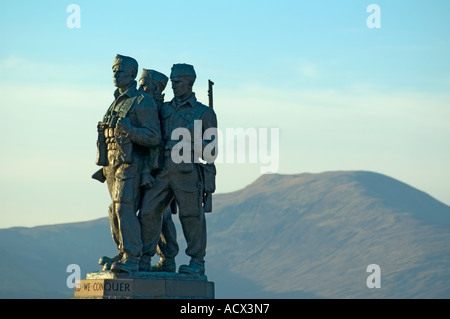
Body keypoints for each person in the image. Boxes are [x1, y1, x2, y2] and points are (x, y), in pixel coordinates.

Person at [139, 63, 217, 275]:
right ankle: (146, 258)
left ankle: (196, 261)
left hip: (186, 170)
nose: (173, 86)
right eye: (172, 82)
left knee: (191, 216)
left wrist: (194, 141)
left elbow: (211, 152)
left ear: (189, 83)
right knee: (148, 211)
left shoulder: (203, 113)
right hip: (162, 169)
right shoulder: (163, 109)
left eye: (178, 82)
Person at [93, 54, 161, 273]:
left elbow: (154, 137)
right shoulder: (115, 102)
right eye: (114, 70)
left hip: (131, 163)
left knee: (124, 207)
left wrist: (130, 131)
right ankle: (123, 252)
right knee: (114, 209)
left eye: (120, 70)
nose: (115, 73)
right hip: (111, 165)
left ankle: (133, 256)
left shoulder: (142, 101)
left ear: (132, 74)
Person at [138, 68, 179, 272]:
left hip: (162, 169)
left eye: (143, 85)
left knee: (157, 213)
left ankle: (165, 256)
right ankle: (139, 254)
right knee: (152, 213)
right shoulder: (144, 107)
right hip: (142, 166)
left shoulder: (163, 110)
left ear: (155, 88)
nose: (140, 89)